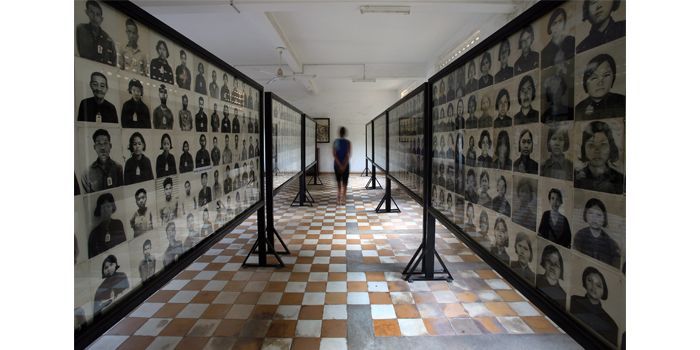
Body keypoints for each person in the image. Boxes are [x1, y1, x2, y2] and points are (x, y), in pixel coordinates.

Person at [570, 267, 619, 345]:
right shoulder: (573, 301)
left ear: (604, 291)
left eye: (598, 285)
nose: (593, 286)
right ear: (584, 282)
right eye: (590, 281)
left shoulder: (610, 324)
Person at [574, 121, 624, 194]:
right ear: (584, 149)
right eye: (591, 145)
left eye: (603, 145)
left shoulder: (621, 179)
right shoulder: (577, 177)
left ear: (611, 147)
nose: (597, 151)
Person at [573, 198, 621, 268]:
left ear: (604, 218)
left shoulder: (611, 243)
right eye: (590, 213)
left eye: (598, 215)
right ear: (585, 215)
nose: (594, 218)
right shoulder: (580, 236)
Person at [575, 54, 625, 120]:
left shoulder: (622, 102)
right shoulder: (579, 108)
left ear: (613, 77)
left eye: (606, 75)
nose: (600, 82)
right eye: (594, 78)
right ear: (585, 82)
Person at [81, 129, 123, 193]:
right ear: (94, 147)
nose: (102, 147)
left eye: (105, 143)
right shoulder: (87, 173)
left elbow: (121, 193)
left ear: (110, 146)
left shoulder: (118, 168)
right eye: (98, 143)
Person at [76, 1, 116, 66]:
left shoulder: (108, 39)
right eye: (91, 12)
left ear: (101, 19)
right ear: (87, 12)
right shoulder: (81, 29)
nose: (94, 17)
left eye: (98, 14)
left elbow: (113, 63)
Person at [88, 193, 126, 258]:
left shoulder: (118, 224)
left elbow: (124, 246)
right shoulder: (94, 234)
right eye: (103, 207)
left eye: (108, 206)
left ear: (112, 208)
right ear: (99, 210)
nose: (106, 210)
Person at [333, 127, 352, 204]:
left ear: (339, 133)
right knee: (345, 182)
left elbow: (334, 154)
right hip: (346, 165)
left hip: (337, 165)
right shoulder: (348, 142)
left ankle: (338, 198)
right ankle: (343, 198)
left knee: (338, 183)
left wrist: (339, 165)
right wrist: (344, 165)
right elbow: (348, 155)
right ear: (345, 133)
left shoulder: (336, 142)